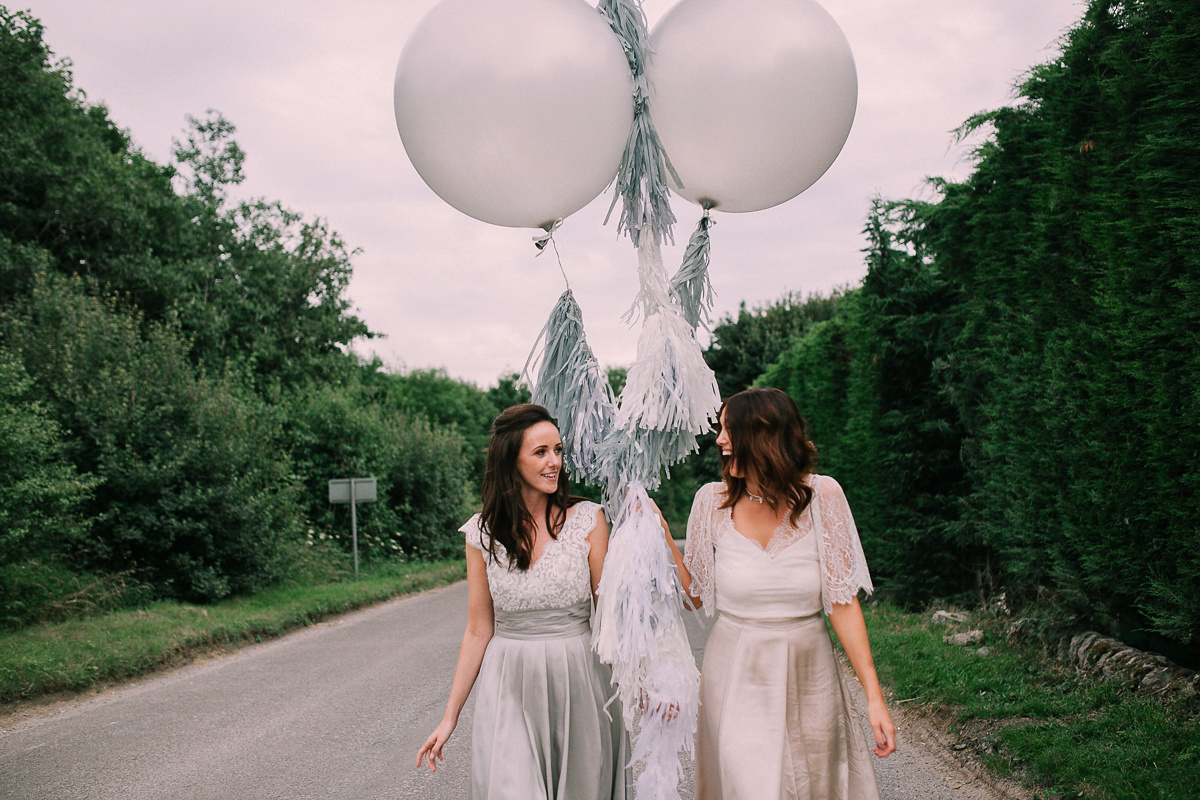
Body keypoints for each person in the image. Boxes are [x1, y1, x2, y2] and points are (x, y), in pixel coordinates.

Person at [662, 387, 896, 800]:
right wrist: (663, 536)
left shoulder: (823, 497)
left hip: (811, 672)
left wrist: (874, 699)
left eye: (729, 429)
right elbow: (695, 595)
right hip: (735, 672)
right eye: (720, 429)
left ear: (765, 435)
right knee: (750, 782)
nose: (719, 440)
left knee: (811, 783)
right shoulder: (709, 503)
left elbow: (843, 604)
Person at [416, 403, 629, 800]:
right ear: (511, 461)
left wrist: (645, 684)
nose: (555, 463)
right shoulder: (481, 533)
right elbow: (479, 629)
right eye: (541, 452)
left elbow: (612, 617)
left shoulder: (589, 519)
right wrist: (449, 718)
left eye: (559, 450)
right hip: (508, 684)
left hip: (579, 681)